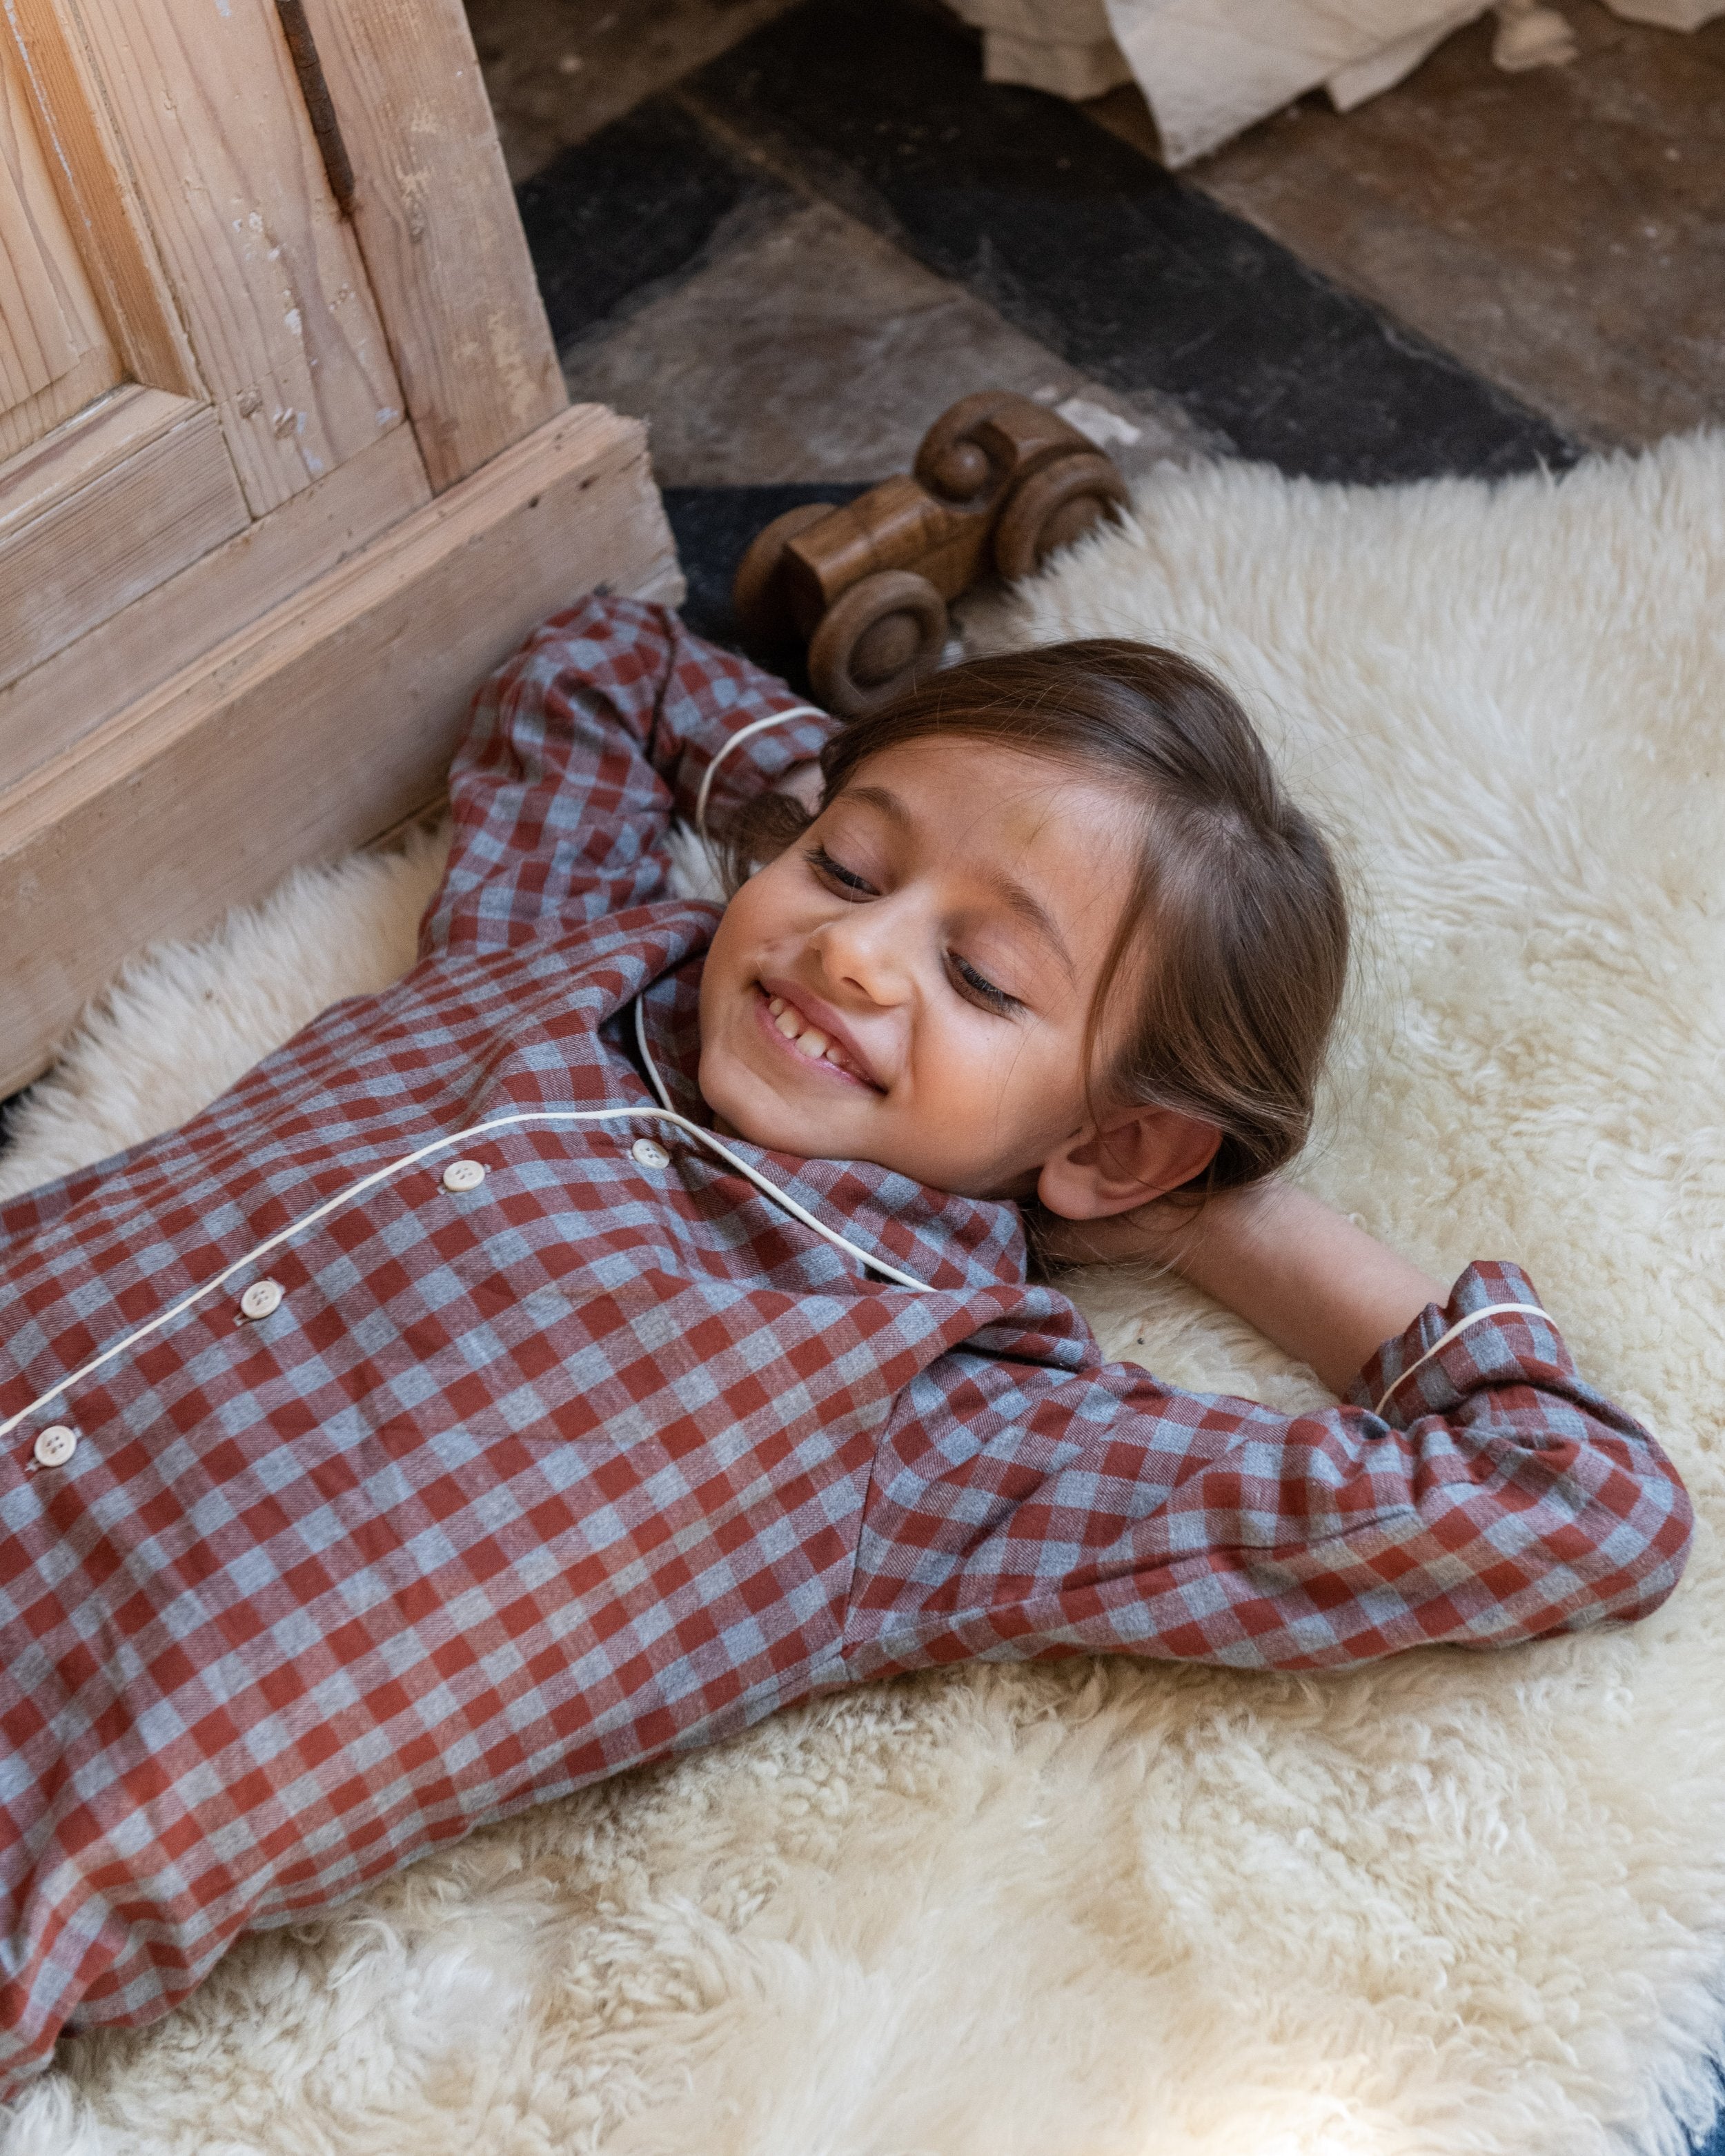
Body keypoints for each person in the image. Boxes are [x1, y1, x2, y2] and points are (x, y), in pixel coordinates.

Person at [0, 595, 1690, 2099]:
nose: (850, 950)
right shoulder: (572, 949)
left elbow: (1572, 1499)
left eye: (978, 975)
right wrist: (909, 797)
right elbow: (601, 666)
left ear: (1111, 1144)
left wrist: (1203, 1212)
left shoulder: (940, 1424)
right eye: (846, 868)